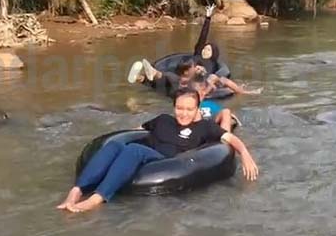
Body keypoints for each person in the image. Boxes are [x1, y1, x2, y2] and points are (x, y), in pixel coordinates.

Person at [57, 88, 259, 213]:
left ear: (197, 109)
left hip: (165, 161)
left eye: (189, 109)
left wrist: (246, 155)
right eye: (180, 108)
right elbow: (137, 131)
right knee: (115, 145)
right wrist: (121, 138)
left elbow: (230, 138)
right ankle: (76, 192)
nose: (184, 113)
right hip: (146, 153)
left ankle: (97, 199)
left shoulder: (204, 127)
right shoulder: (163, 120)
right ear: (174, 107)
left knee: (134, 150)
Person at [128, 5, 263, 95]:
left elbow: (216, 77)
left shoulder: (213, 64)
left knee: (170, 78)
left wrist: (203, 73)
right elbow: (202, 37)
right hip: (181, 75)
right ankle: (140, 78)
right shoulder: (197, 54)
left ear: (213, 54)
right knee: (167, 78)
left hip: (192, 81)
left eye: (208, 50)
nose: (205, 50)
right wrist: (208, 17)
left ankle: (152, 73)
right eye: (204, 48)